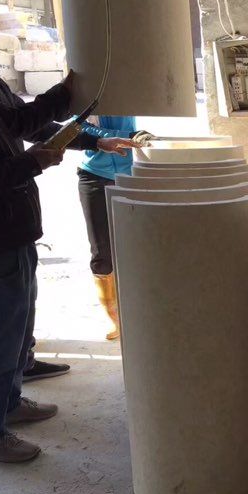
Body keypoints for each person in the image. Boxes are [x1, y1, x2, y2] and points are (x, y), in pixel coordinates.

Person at [0, 11, 135, 463]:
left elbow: (26, 124)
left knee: (17, 323)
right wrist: (35, 156)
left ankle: (8, 402)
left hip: (15, 225)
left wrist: (93, 140)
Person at [76, 116, 153, 340]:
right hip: (94, 177)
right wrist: (124, 137)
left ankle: (137, 312)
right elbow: (79, 127)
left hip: (130, 176)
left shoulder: (130, 95)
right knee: (101, 252)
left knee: (134, 248)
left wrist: (137, 138)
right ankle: (114, 318)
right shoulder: (88, 95)